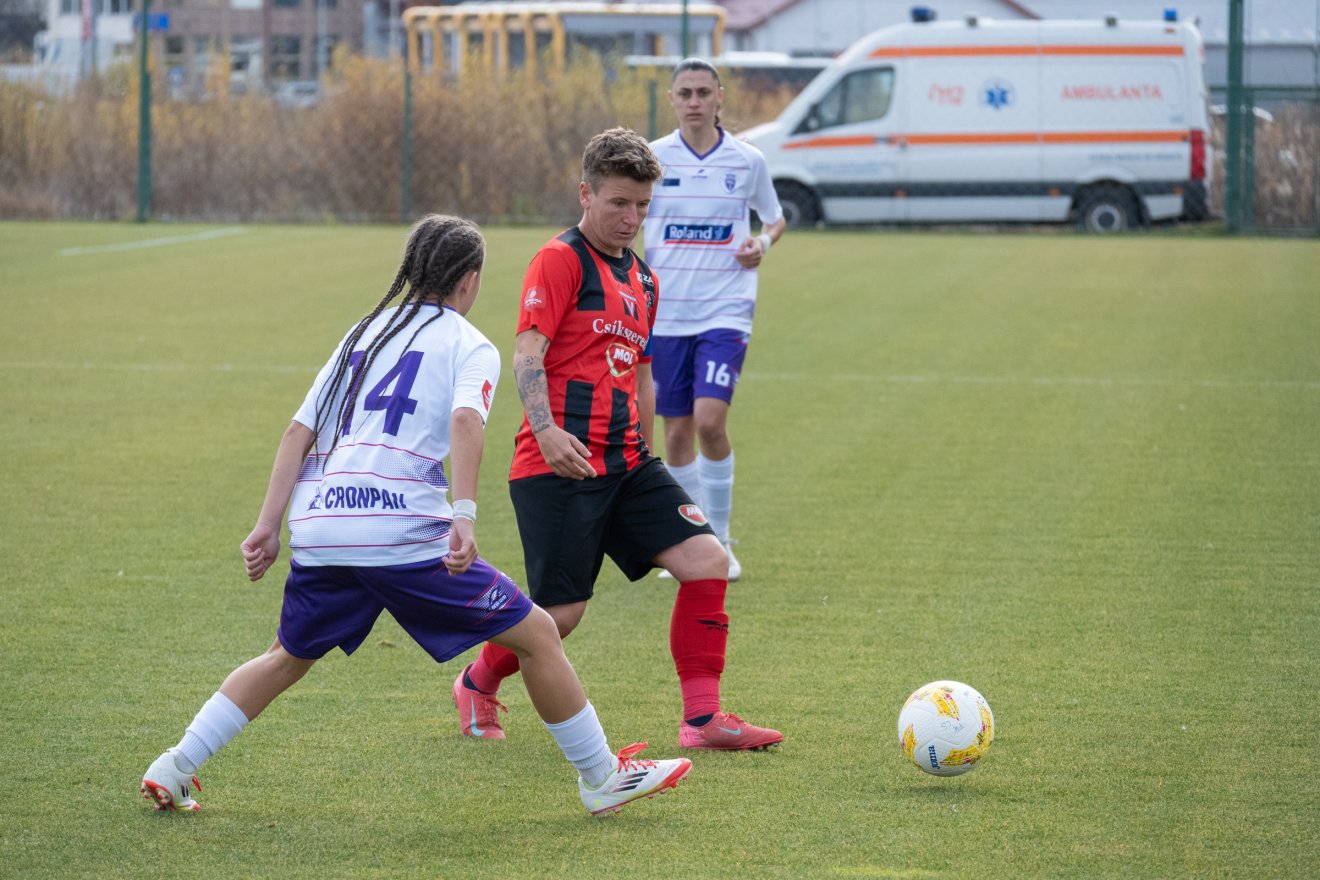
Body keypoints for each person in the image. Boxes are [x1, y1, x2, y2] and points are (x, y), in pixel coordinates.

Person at [139, 214, 692, 818]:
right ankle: (601, 778)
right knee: (538, 635)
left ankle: (176, 764)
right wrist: (464, 515)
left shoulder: (363, 332)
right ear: (470, 281)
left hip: (324, 527)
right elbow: (465, 420)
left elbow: (298, 432)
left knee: (285, 656)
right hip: (401, 533)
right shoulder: (469, 343)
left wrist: (268, 527)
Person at [449, 129, 782, 752]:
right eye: (619, 203)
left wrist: (646, 456)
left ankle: (703, 719)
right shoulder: (560, 259)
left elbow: (643, 377)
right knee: (561, 616)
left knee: (706, 560)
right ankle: (476, 680)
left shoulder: (645, 281)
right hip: (559, 465)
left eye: (642, 206)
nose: (632, 219)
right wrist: (546, 431)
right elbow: (527, 353)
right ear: (586, 194)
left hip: (628, 463)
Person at [643, 57, 787, 581]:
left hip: (726, 309)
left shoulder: (747, 160)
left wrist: (761, 244)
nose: (695, 101)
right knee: (677, 435)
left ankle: (721, 544)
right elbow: (627, 215)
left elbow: (775, 218)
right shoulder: (652, 159)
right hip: (666, 316)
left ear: (720, 96)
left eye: (704, 92)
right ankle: (694, 543)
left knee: (709, 422)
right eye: (685, 93)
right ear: (672, 99)